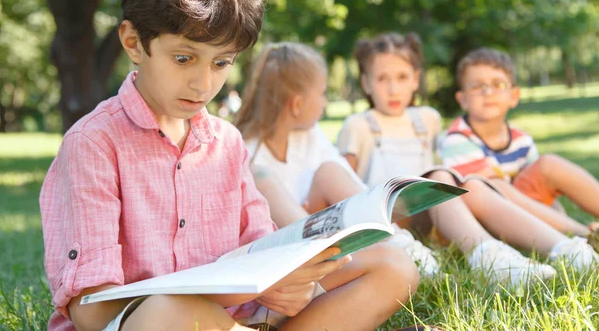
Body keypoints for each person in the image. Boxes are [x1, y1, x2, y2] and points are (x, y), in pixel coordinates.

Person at [38, 0, 410, 331]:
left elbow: (265, 254)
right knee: (171, 310)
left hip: (236, 321)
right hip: (155, 324)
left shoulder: (226, 142)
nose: (202, 84)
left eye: (221, 63)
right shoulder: (94, 144)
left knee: (391, 265)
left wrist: (291, 283)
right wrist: (239, 294)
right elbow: (93, 312)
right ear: (133, 42)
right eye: (184, 58)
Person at [234, 41, 592, 289]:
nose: (327, 103)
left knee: (474, 185)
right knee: (426, 179)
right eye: (323, 93)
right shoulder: (250, 155)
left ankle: (563, 249)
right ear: (297, 104)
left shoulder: (310, 138)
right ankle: (459, 252)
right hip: (321, 240)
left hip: (370, 220)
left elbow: (350, 187)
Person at [335, 32, 598, 281]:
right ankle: (487, 255)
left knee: (459, 182)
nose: (393, 89)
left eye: (402, 77)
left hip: (430, 210)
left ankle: (566, 249)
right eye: (382, 79)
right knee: (442, 178)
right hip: (391, 216)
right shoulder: (358, 125)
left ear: (416, 79)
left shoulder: (427, 118)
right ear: (366, 83)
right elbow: (345, 185)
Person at [439, 48, 599, 238]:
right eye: (477, 86)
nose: (488, 92)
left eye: (498, 85)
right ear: (463, 99)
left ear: (514, 96)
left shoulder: (521, 139)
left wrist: (556, 213)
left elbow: (541, 195)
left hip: (525, 210)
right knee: (497, 184)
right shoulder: (457, 139)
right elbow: (489, 195)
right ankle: (583, 235)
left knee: (549, 164)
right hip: (484, 219)